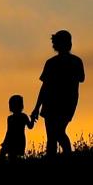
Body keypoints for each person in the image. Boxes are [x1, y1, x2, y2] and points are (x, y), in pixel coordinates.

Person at [31, 30, 85, 158]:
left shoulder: (71, 61)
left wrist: (37, 108)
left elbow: (81, 78)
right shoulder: (54, 62)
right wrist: (36, 108)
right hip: (53, 103)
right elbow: (44, 87)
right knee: (53, 135)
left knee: (57, 132)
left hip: (66, 103)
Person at [0, 94, 34, 162]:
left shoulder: (11, 118)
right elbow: (30, 126)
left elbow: (8, 131)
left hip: (15, 140)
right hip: (16, 140)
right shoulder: (22, 116)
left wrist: (5, 142)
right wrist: (32, 119)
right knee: (10, 156)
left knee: (10, 156)